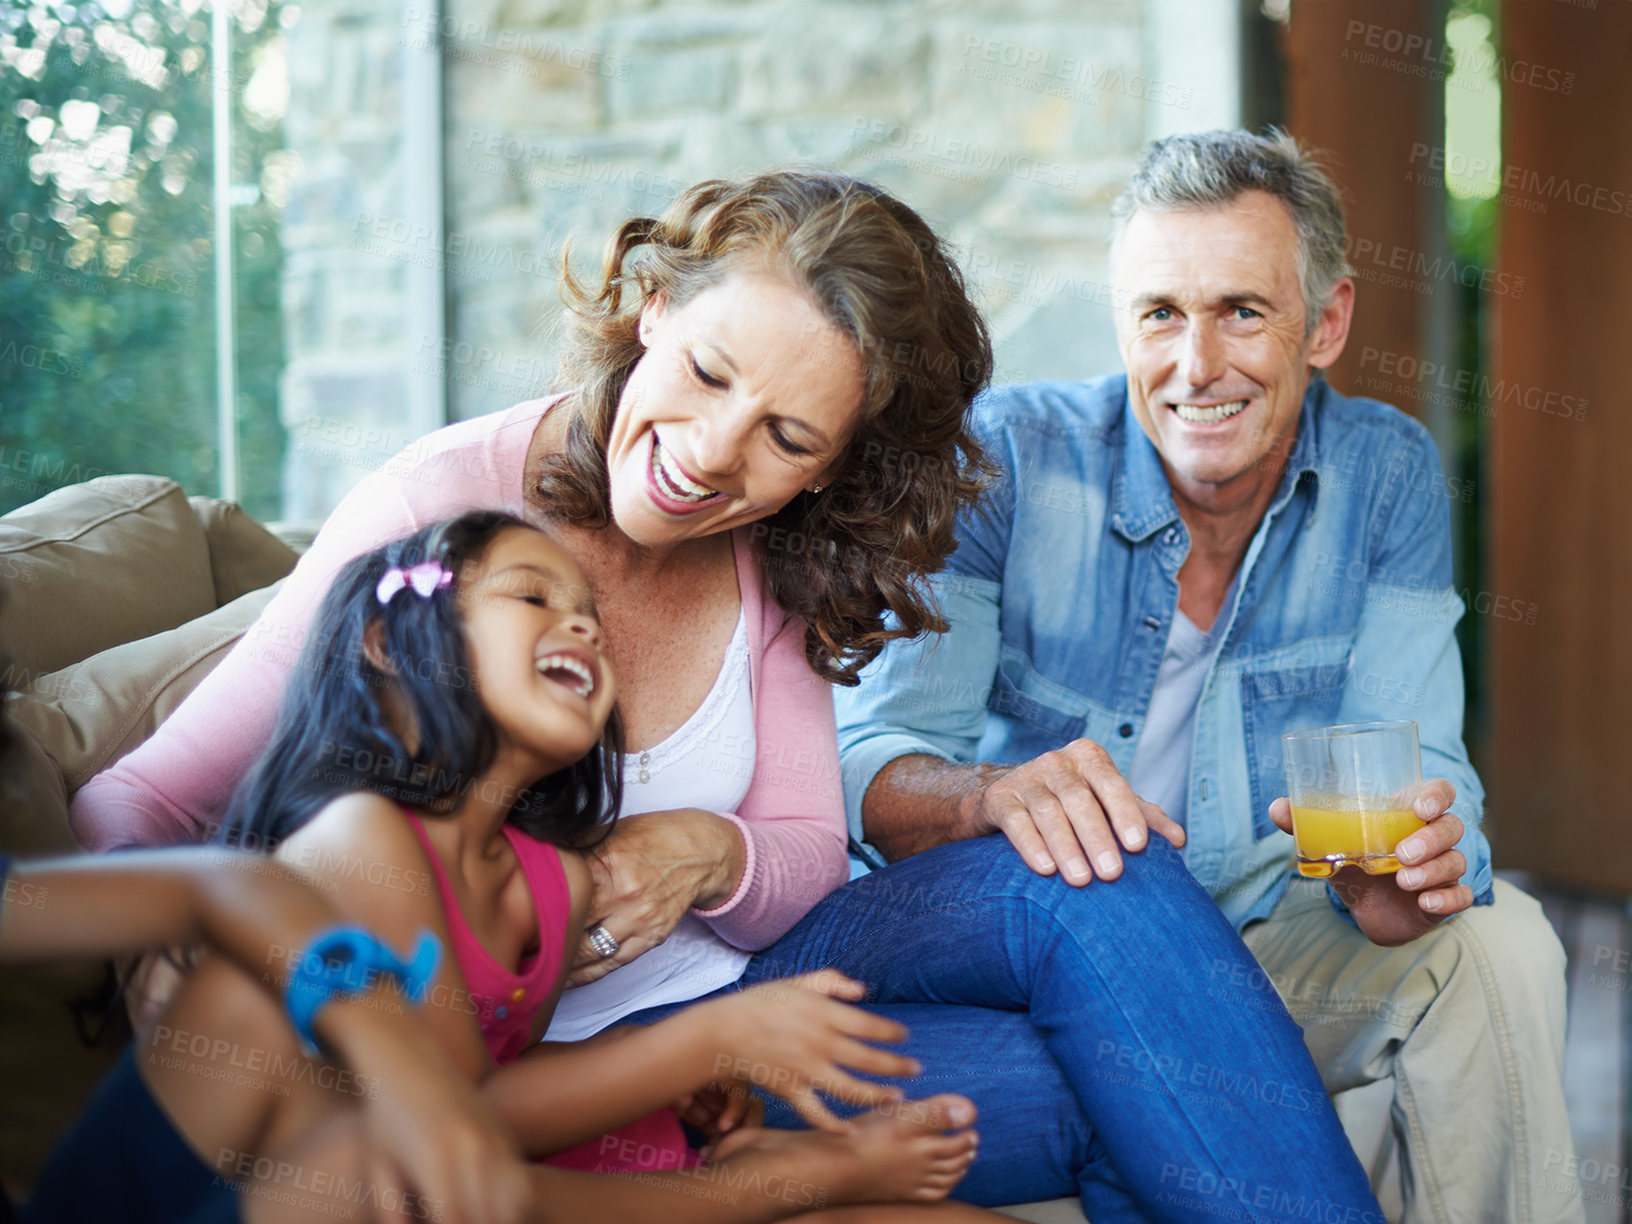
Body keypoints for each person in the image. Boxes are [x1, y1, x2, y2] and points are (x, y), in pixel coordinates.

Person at [70, 169, 1384, 1222]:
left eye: (788, 438)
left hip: (744, 990)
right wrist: (173, 953)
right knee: (1146, 1081)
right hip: (547, 1072)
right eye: (705, 373)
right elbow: (140, 794)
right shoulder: (439, 513)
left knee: (1093, 876)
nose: (711, 456)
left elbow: (811, 860)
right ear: (653, 310)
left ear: (830, 470)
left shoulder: (770, 564)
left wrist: (710, 850)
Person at [835, 130, 1578, 1224]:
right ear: (1123, 322)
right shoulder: (1007, 457)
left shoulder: (1387, 473)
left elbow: (1426, 770)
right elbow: (871, 765)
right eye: (1160, 315)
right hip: (1059, 969)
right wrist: (989, 798)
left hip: (1278, 937)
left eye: (1242, 311)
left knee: (1499, 942)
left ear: (1325, 324)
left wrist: (1419, 865)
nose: (1197, 366)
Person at [218, 507, 994, 1216]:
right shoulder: (363, 840)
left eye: (589, 616)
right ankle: (786, 1178)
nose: (583, 628)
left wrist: (641, 1069)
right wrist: (699, 1042)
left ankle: (773, 1172)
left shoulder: (553, 882)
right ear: (388, 644)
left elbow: (504, 1072)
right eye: (533, 599)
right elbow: (452, 1115)